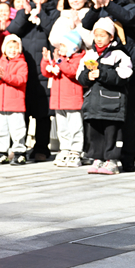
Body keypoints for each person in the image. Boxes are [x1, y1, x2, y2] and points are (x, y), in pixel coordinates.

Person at [82, 0, 135, 172]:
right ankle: (103, 156)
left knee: (127, 117)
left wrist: (108, 4)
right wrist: (96, 6)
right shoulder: (101, 9)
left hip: (126, 69)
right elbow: (86, 23)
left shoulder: (132, 7)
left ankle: (127, 159)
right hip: (102, 69)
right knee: (104, 116)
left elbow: (130, 19)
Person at [7, 0, 60, 162]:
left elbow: (54, 32)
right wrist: (25, 14)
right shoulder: (23, 11)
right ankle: (19, 147)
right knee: (22, 111)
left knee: (43, 114)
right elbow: (12, 30)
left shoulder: (54, 13)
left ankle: (41, 148)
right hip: (24, 68)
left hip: (44, 69)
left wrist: (41, 14)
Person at [77, 18, 133, 176]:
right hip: (93, 103)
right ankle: (97, 158)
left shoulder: (119, 54)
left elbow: (124, 75)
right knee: (95, 133)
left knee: (112, 133)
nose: (99, 39)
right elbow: (79, 75)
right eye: (96, 35)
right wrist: (88, 76)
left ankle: (112, 160)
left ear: (111, 37)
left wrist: (102, 73)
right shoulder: (89, 55)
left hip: (112, 104)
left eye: (103, 35)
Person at [41, 31, 85, 168]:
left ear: (73, 47)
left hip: (72, 100)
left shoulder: (77, 59)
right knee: (62, 128)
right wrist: (46, 60)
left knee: (75, 127)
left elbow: (72, 71)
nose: (60, 49)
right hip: (59, 100)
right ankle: (65, 148)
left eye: (64, 46)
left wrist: (59, 61)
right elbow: (47, 72)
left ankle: (76, 151)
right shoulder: (60, 60)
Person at [0, 34, 29, 165]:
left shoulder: (22, 64)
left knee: (18, 130)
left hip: (15, 104)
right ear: (4, 48)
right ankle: (2, 153)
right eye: (10, 47)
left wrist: (5, 76)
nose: (13, 50)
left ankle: (19, 153)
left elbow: (20, 80)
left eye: (16, 48)